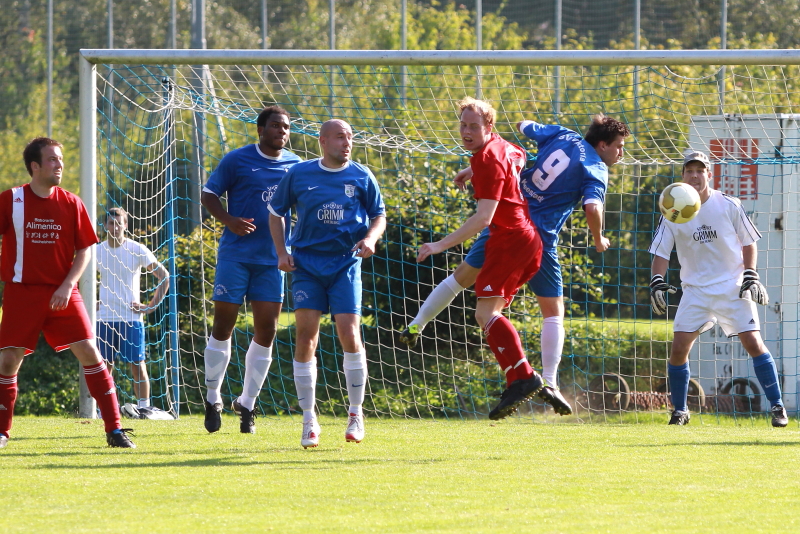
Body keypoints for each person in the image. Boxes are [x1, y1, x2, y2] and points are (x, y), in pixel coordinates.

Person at [401, 114, 629, 416]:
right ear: (602, 145)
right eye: (619, 146)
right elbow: (592, 206)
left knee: (461, 278)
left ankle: (417, 324)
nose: (621, 153)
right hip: (538, 237)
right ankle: (548, 382)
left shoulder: (562, 134)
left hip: (508, 219)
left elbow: (524, 127)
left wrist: (482, 162)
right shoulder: (596, 167)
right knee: (552, 312)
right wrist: (598, 238)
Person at [416, 97, 546, 420]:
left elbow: (483, 218)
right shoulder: (502, 146)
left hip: (509, 240)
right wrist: (470, 169)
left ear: (489, 127)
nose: (466, 131)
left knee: (485, 313)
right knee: (487, 313)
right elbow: (520, 156)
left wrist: (439, 245)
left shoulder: (486, 159)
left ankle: (524, 377)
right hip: (526, 238)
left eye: (474, 126)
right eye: (463, 124)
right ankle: (518, 379)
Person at [0, 137, 134, 449]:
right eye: (52, 159)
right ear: (35, 166)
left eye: (60, 159)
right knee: (7, 361)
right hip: (22, 293)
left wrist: (67, 285)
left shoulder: (72, 202)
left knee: (90, 352)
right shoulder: (12, 200)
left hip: (63, 292)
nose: (59, 164)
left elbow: (85, 249)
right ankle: (2, 433)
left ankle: (115, 430)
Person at [268, 119, 386, 448]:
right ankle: (309, 420)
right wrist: (281, 252)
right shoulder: (299, 174)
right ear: (322, 141)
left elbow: (379, 215)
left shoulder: (362, 175)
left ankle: (356, 413)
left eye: (349, 137)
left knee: (350, 333)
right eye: (339, 137)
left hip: (345, 263)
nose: (346, 143)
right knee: (306, 336)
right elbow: (275, 213)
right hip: (307, 264)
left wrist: (371, 239)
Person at [649, 150, 788, 427]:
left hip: (731, 286)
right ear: (683, 176)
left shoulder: (728, 204)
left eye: (700, 171)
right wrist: (656, 280)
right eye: (689, 171)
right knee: (679, 348)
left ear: (709, 175)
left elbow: (748, 241)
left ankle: (777, 407)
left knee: (753, 342)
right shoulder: (672, 211)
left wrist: (750, 274)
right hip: (694, 290)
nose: (695, 176)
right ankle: (680, 411)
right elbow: (661, 253)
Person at [201, 105, 302, 434]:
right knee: (224, 324)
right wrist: (229, 220)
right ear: (260, 130)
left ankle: (247, 403)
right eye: (275, 126)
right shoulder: (237, 159)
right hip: (236, 256)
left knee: (267, 331)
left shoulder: (296, 166)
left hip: (272, 260)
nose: (281, 131)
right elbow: (208, 194)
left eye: (286, 127)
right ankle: (213, 397)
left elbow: (305, 207)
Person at [96, 207, 171, 419]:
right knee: (104, 367)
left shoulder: (137, 249)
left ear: (126, 226)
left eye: (119, 224)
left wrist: (150, 306)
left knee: (137, 365)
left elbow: (164, 276)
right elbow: (79, 277)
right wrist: (89, 301)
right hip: (104, 318)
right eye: (111, 223)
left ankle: (144, 409)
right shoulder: (97, 251)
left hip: (131, 318)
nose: (115, 227)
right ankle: (103, 410)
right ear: (105, 225)